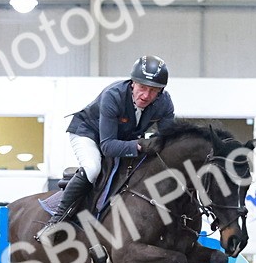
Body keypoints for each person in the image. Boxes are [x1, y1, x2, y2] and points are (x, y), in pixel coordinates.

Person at [38, 55, 176, 237]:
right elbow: (108, 147)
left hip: (123, 138)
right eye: (142, 87)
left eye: (154, 91)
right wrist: (141, 145)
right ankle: (55, 222)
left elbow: (167, 140)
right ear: (133, 83)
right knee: (93, 168)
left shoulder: (164, 103)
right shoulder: (114, 96)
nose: (146, 95)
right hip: (89, 134)